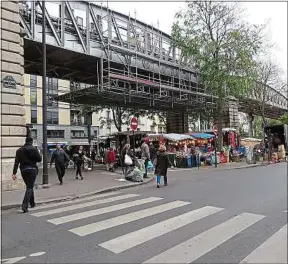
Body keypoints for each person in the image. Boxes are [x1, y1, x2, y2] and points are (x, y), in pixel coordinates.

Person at [12, 137, 42, 213]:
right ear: (31, 142)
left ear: (25, 142)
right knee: (30, 187)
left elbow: (16, 162)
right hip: (32, 169)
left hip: (24, 170)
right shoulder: (34, 149)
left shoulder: (19, 150)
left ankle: (32, 203)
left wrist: (14, 173)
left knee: (29, 186)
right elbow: (39, 159)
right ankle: (24, 206)